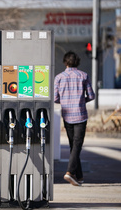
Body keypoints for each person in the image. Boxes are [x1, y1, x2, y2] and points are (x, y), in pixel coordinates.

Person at [54, 51, 95, 186]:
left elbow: (55, 98)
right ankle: (70, 173)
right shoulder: (83, 76)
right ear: (77, 62)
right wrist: (80, 100)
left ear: (65, 62)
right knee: (77, 145)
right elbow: (91, 96)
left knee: (74, 145)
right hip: (80, 115)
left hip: (67, 115)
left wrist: (65, 101)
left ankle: (80, 177)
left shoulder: (59, 78)